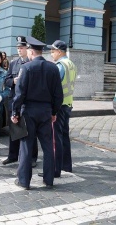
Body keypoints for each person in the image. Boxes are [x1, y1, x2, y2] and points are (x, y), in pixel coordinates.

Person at [11, 36, 63, 190]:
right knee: (47, 146)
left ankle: (24, 181)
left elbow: (19, 94)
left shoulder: (26, 68)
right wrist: (54, 112)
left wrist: (15, 111)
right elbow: (58, 95)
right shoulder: (53, 68)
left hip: (29, 111)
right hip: (46, 111)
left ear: (32, 52)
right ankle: (49, 179)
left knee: (26, 146)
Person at [2, 36, 38, 168]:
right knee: (14, 130)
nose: (19, 50)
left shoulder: (31, 62)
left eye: (21, 48)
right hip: (14, 100)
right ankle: (12, 155)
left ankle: (32, 157)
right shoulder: (13, 63)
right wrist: (13, 81)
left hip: (27, 102)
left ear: (27, 49)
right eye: (17, 48)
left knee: (30, 131)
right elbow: (6, 81)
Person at [44, 40, 77, 177]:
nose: (51, 54)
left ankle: (55, 170)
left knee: (55, 138)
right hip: (68, 104)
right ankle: (66, 166)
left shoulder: (60, 66)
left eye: (52, 51)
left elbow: (54, 88)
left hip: (59, 106)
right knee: (64, 137)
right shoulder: (71, 64)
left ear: (59, 51)